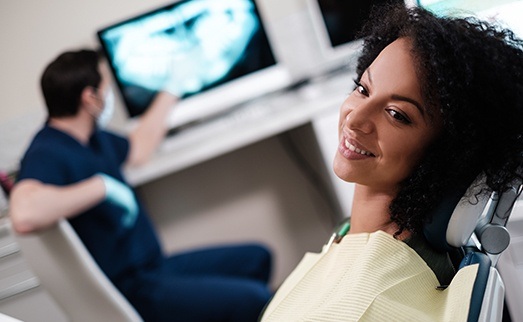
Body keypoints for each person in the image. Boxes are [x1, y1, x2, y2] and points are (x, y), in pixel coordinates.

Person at [260, 3, 523, 321]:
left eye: (397, 114)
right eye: (362, 89)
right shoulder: (356, 237)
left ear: (449, 151)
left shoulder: (367, 306)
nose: (355, 119)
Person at [8, 49, 273, 322]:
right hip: (132, 288)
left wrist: (172, 87)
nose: (109, 93)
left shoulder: (93, 137)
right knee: (254, 299)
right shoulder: (46, 151)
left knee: (258, 258)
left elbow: (139, 147)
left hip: (154, 267)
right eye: (106, 87)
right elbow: (25, 214)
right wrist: (101, 187)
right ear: (89, 97)